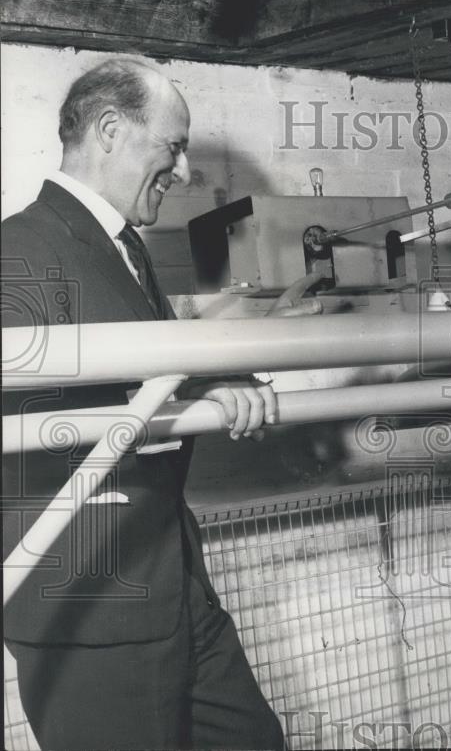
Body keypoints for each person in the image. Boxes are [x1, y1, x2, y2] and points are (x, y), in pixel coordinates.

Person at [1, 60, 286, 749]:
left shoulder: (123, 247)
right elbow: (43, 414)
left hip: (173, 586)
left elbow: (133, 379)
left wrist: (210, 385)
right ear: (108, 131)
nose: (183, 170)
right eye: (173, 145)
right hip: (90, 611)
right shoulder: (18, 249)